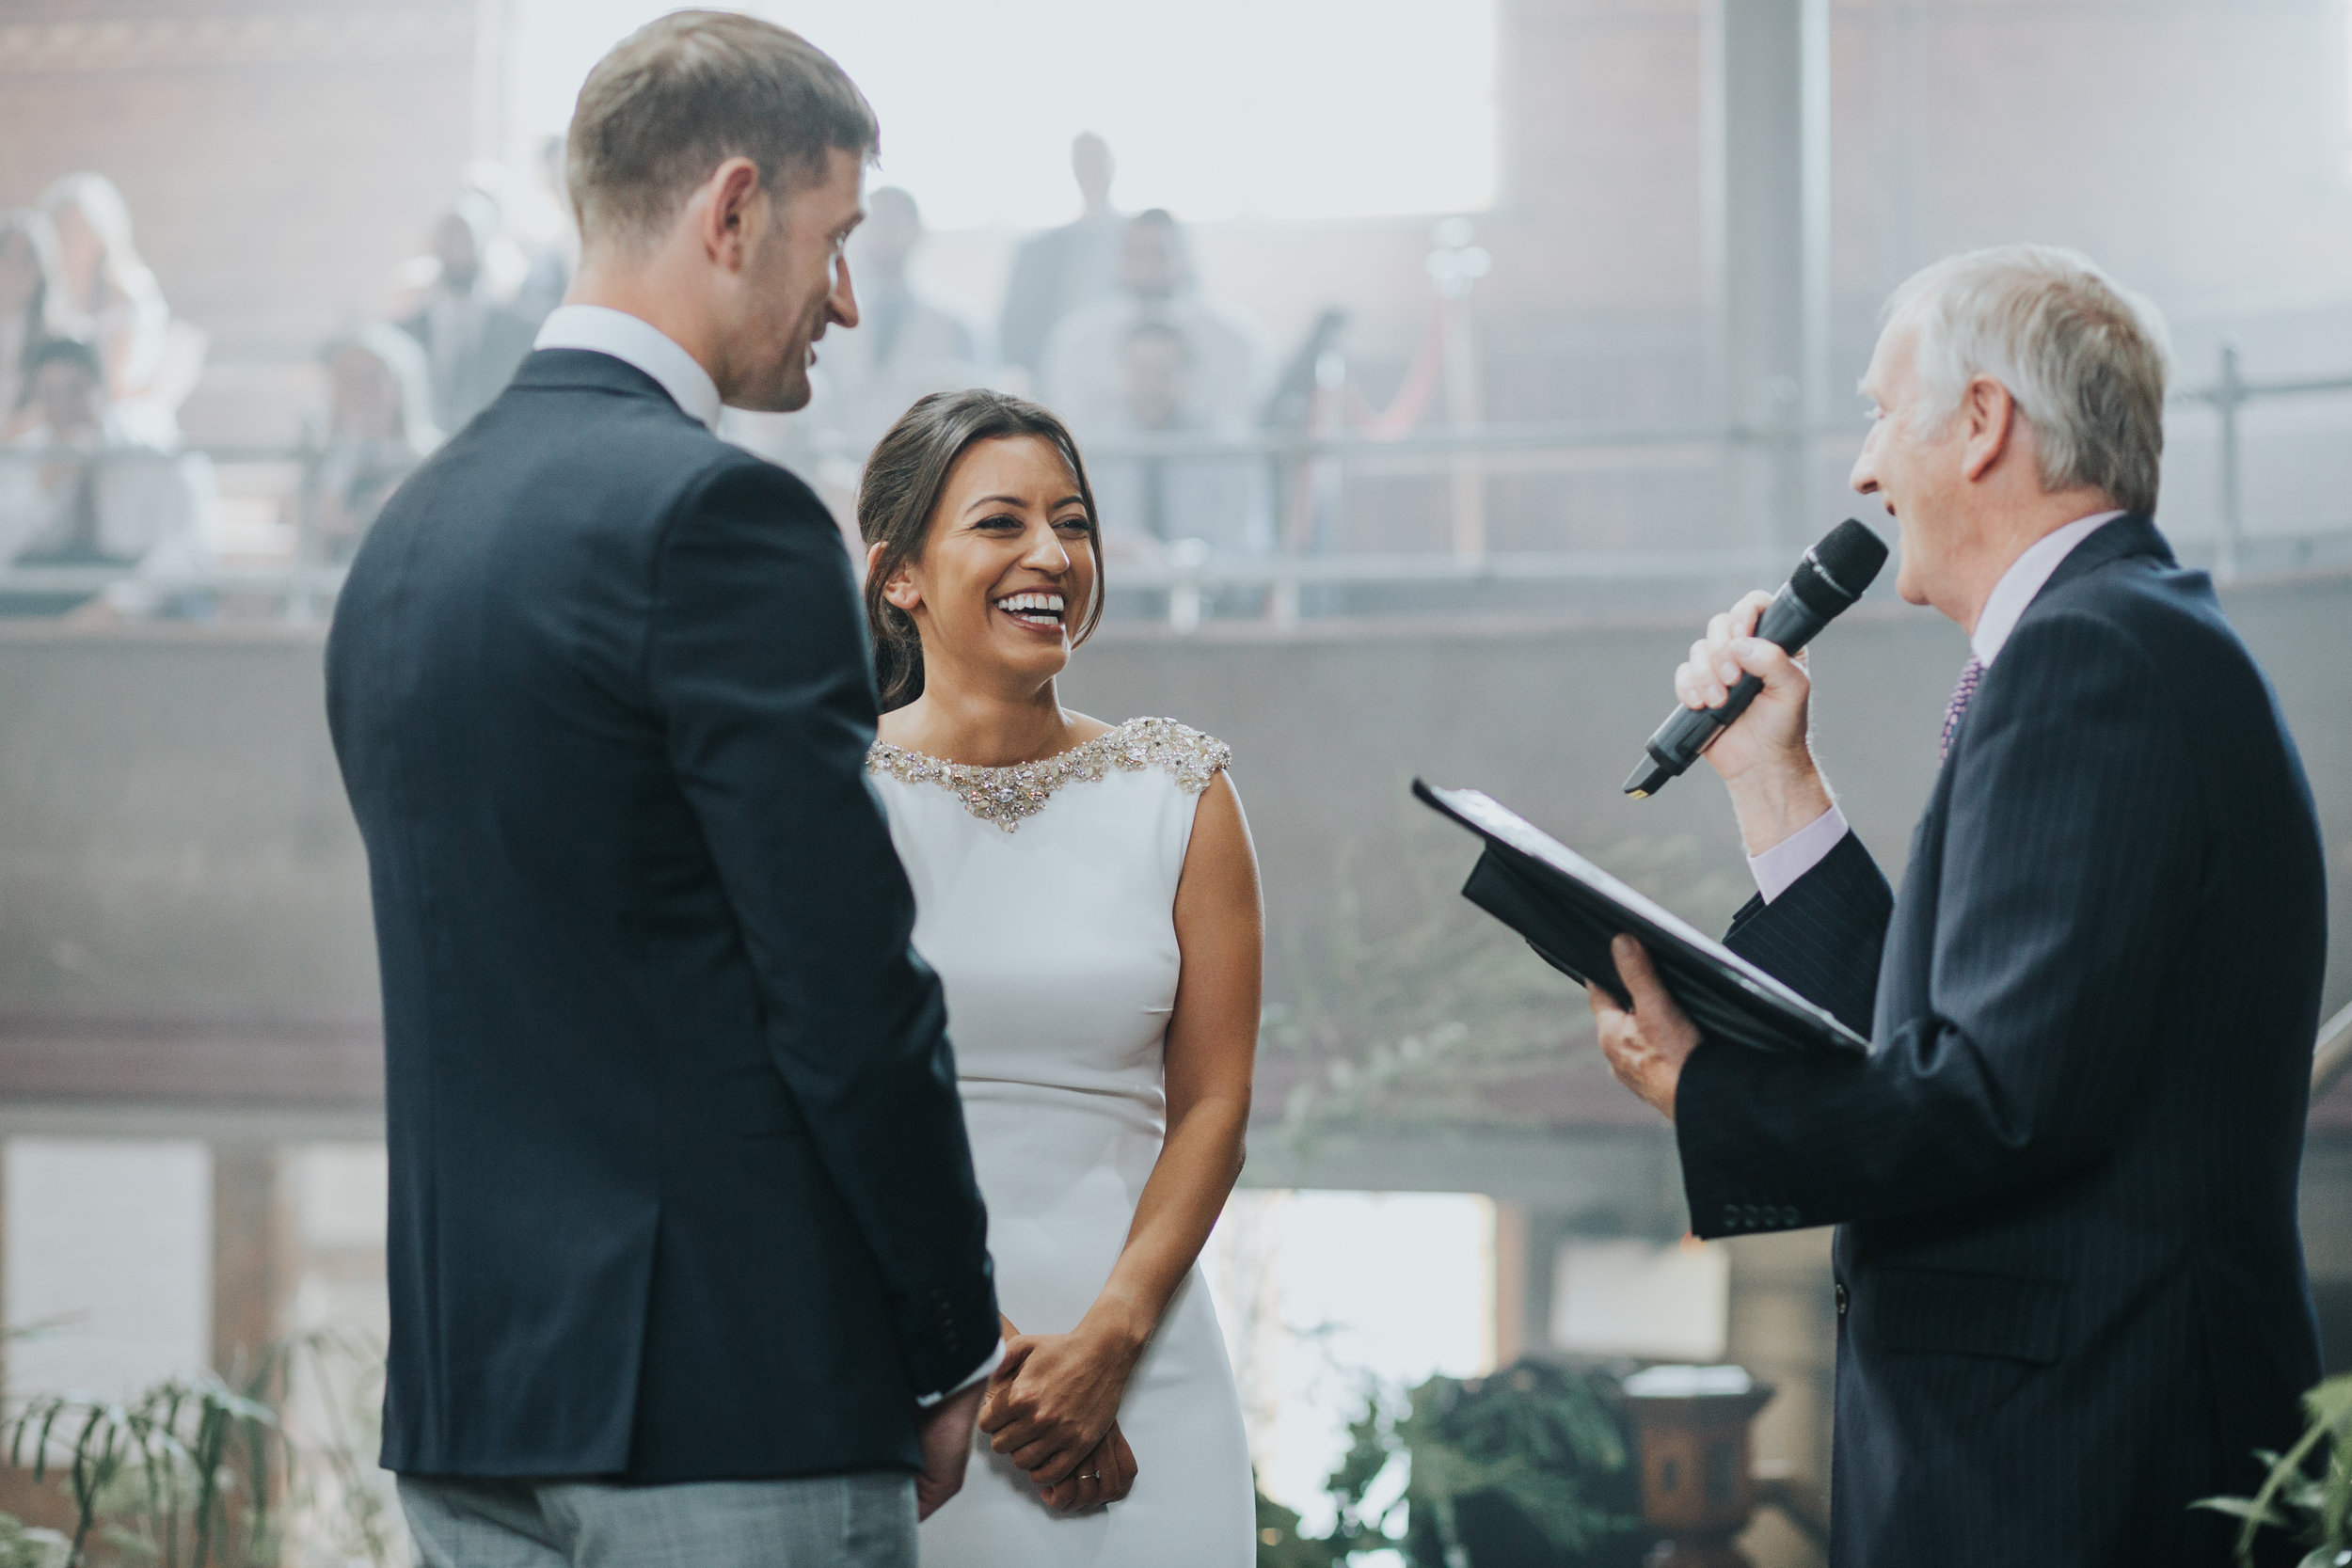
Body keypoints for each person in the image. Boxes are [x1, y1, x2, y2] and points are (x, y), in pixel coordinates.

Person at [325, 15, 1000, 1567]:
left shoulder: (405, 539)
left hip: (467, 1400)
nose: (845, 299)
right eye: (836, 241)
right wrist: (949, 1325)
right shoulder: (722, 522)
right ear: (733, 208)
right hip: (725, 1394)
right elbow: (843, 982)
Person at [1585, 245, 2326, 1565]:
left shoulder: (2093, 656)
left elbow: (1992, 1097)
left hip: (2080, 1460)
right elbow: (1956, 1036)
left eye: (1880, 412)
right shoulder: (2122, 639)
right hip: (2064, 1437)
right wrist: (1774, 784)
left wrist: (1710, 1093)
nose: (1862, 470)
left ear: (1982, 423)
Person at [857, 388, 1259, 1566]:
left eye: (1072, 521)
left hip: (1143, 1361)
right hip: (907, 1364)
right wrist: (975, 1350)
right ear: (900, 576)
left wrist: (1109, 1346)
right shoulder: (826, 799)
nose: (1051, 554)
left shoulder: (1181, 789)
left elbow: (1217, 1105)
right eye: (1000, 523)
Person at [0, 336, 215, 619]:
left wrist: (119, 605)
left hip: (135, 592)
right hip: (51, 593)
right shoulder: (24, 457)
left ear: (103, 389)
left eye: (75, 391)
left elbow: (187, 551)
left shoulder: (156, 458)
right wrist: (43, 489)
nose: (62, 408)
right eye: (49, 394)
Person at [1041, 209, 1257, 444]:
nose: (1148, 266)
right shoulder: (1077, 341)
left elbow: (1240, 424)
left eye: (1159, 253)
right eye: (1136, 254)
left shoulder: (1234, 341)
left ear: (1183, 258)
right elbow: (1070, 424)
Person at [1083, 318, 1271, 562]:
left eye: (1165, 372)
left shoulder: (1227, 449)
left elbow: (1249, 552)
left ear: (1188, 374)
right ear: (1121, 371)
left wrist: (1165, 559)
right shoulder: (1093, 448)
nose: (1152, 385)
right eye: (1141, 371)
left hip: (1206, 593)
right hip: (1113, 592)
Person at [39, 173, 205, 446]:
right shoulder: (52, 294)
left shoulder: (127, 290)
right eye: (62, 229)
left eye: (79, 230)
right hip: (66, 417)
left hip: (120, 419)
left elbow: (115, 384)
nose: (71, 241)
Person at [396, 192, 539, 432]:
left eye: (466, 237)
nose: (457, 247)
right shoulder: (406, 333)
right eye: (449, 236)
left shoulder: (521, 330)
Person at [997, 132, 1121, 383]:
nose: (1091, 169)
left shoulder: (1146, 240)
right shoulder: (1038, 250)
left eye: (1097, 160)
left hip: (1127, 373)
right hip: (1054, 375)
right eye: (1083, 161)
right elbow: (1013, 328)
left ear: (1111, 165)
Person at [312, 323, 439, 562]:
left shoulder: (431, 462)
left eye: (373, 378)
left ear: (402, 385)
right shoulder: (318, 460)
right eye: (347, 378)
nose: (359, 391)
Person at [0, 210, 74, 439]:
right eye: (7, 257)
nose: (14, 271)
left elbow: (53, 408)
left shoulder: (58, 337)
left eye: (26, 261)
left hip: (29, 450)